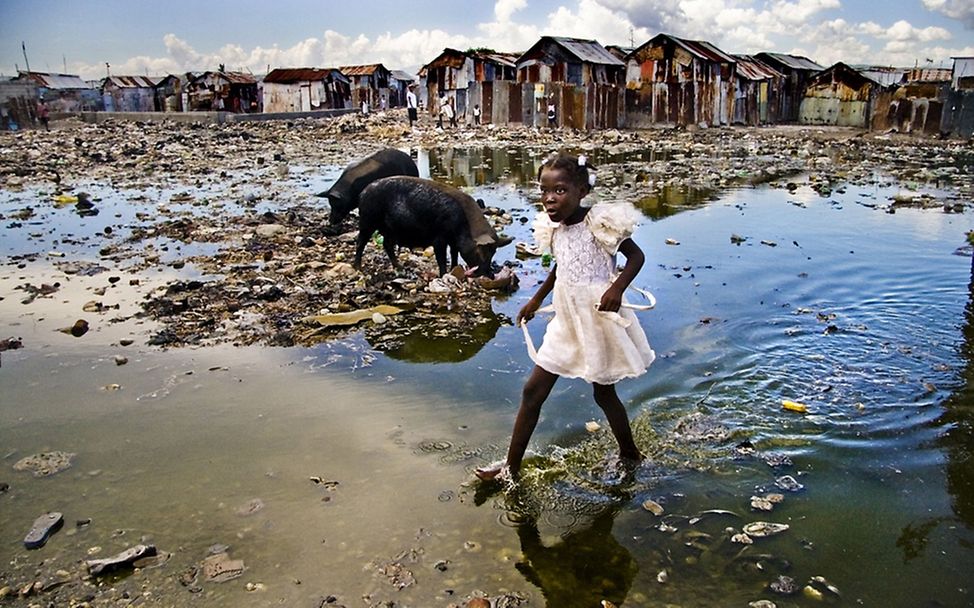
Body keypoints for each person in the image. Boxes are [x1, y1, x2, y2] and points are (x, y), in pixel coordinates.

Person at [476, 152, 655, 482]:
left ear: (581, 191)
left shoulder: (598, 224)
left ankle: (630, 453)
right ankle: (509, 470)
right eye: (544, 191)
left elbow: (636, 257)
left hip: (598, 317)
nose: (549, 199)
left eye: (559, 191)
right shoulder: (554, 230)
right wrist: (536, 298)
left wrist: (616, 289)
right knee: (533, 392)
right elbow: (561, 266)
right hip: (566, 319)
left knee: (604, 394)